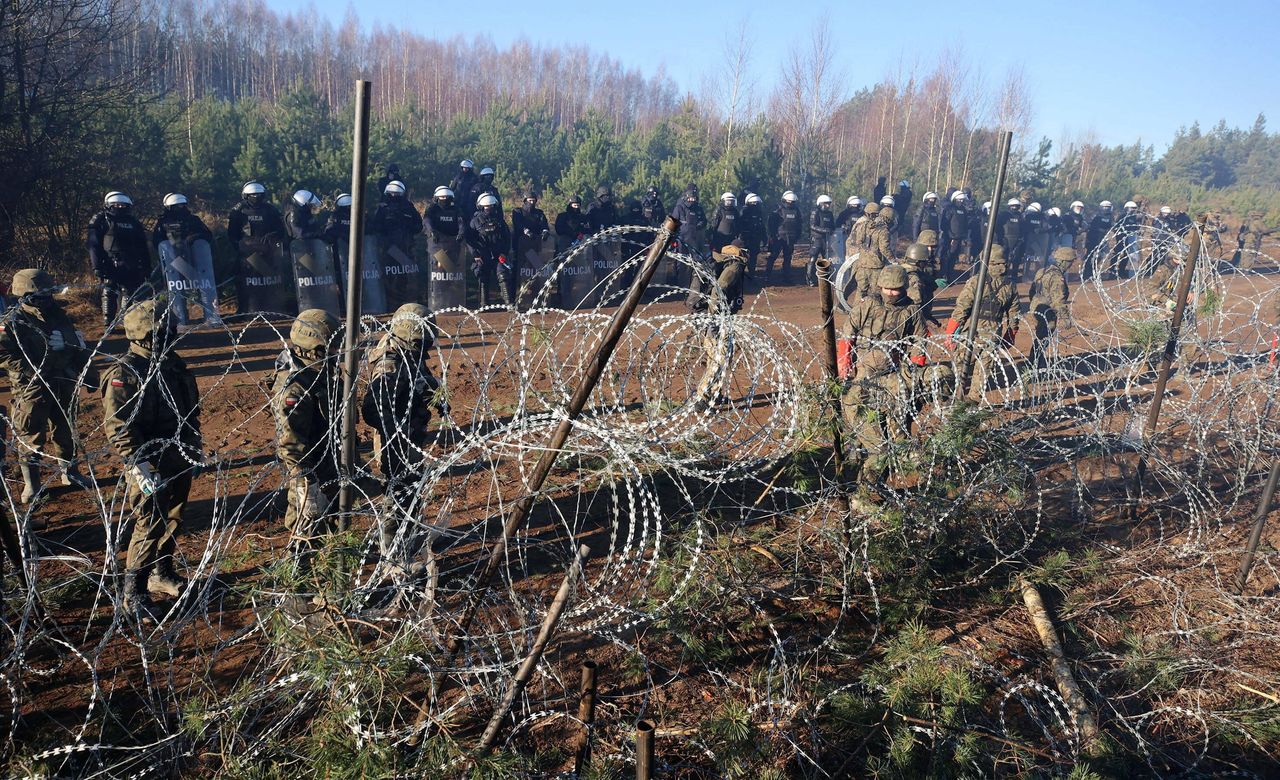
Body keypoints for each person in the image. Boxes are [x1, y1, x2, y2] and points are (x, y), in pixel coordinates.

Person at [102, 299, 201, 617]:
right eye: (166, 330)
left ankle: (161, 572)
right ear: (147, 334)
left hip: (178, 456)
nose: (173, 334)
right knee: (149, 522)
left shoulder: (173, 365)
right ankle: (134, 592)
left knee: (174, 517)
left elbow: (190, 412)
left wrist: (193, 447)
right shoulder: (126, 373)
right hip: (148, 461)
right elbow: (118, 426)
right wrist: (139, 465)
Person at [0, 269, 98, 511]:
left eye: (47, 293)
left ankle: (70, 471)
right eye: (40, 294)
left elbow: (76, 345)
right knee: (31, 434)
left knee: (66, 427)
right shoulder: (12, 322)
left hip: (62, 380)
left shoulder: (59, 315)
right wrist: (31, 371)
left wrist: (88, 372)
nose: (46, 298)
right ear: (25, 295)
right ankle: (31, 484)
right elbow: (5, 355)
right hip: (31, 388)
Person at [840, 264, 938, 490]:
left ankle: (886, 467)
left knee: (893, 417)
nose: (891, 293)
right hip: (863, 371)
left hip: (891, 373)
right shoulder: (868, 305)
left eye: (895, 289)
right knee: (858, 415)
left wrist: (914, 369)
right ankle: (858, 459)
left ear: (903, 288)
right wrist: (845, 362)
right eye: (886, 288)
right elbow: (848, 332)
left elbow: (920, 342)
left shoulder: (911, 311)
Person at [362, 303, 448, 557]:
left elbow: (420, 380)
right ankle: (393, 550)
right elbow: (373, 408)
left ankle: (408, 536)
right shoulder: (390, 363)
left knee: (410, 489)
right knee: (398, 490)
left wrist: (434, 391)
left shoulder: (409, 353)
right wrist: (396, 436)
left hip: (408, 434)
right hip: (396, 439)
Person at [272, 308, 342, 573]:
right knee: (306, 528)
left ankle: (326, 576)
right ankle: (296, 582)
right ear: (315, 346)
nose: (338, 351)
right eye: (332, 345)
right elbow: (290, 444)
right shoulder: (296, 386)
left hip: (329, 462)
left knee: (331, 525)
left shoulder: (319, 372)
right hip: (310, 470)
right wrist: (306, 486)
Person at [944, 245, 1020, 401]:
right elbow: (1014, 316)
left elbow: (961, 310)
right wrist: (1010, 337)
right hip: (993, 335)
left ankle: (954, 397)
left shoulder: (976, 282)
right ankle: (972, 403)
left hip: (970, 331)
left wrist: (950, 334)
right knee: (983, 371)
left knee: (960, 367)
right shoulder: (1010, 285)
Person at [88, 191, 152, 328]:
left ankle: (126, 319)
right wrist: (97, 266)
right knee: (109, 289)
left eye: (123, 205)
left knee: (130, 291)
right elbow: (94, 245)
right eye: (117, 205)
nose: (120, 207)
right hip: (109, 262)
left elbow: (142, 246)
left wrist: (146, 266)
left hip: (131, 263)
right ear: (108, 205)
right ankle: (108, 321)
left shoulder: (133, 222)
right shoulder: (101, 220)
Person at [152, 193, 218, 327]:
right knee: (177, 289)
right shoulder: (163, 222)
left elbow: (207, 235)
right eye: (176, 206)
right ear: (169, 207)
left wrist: (193, 238)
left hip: (197, 260)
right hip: (174, 262)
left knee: (204, 286)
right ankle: (180, 318)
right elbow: (157, 241)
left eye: (182, 205)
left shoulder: (193, 220)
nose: (180, 207)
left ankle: (211, 316)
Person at [227, 181, 288, 312]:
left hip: (269, 252)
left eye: (259, 195)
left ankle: (274, 308)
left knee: (271, 281)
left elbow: (281, 230)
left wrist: (272, 236)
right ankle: (246, 309)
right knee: (246, 282)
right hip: (247, 255)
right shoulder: (238, 211)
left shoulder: (270, 209)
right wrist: (240, 248)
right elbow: (232, 234)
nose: (256, 197)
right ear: (246, 196)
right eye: (253, 195)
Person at [1028, 247, 1074, 368]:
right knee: (1044, 338)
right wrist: (1066, 318)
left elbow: (1032, 291)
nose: (1071, 265)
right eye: (1070, 262)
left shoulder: (1042, 271)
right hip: (1047, 312)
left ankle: (1037, 360)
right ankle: (1035, 363)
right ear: (1063, 262)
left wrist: (1034, 304)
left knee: (1041, 336)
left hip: (1036, 307)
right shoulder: (1058, 278)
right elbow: (1058, 301)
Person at [466, 193, 512, 306]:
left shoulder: (499, 221)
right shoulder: (475, 221)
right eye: (486, 206)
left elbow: (507, 238)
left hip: (498, 254)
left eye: (491, 206)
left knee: (503, 274)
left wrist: (504, 253)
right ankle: (483, 304)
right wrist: (476, 255)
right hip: (482, 255)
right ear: (481, 206)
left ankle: (509, 303)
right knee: (482, 275)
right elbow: (470, 240)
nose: (489, 209)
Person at [763, 191, 802, 284]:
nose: (791, 203)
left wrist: (797, 236)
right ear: (784, 200)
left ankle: (786, 278)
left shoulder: (797, 211)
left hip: (790, 239)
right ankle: (767, 277)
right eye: (789, 201)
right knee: (772, 257)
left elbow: (799, 225)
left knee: (788, 259)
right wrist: (773, 236)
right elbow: (771, 224)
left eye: (793, 202)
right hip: (778, 238)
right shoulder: (778, 210)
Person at [849, 203, 886, 299]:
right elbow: (857, 241)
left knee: (860, 286)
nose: (877, 217)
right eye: (875, 214)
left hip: (861, 256)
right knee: (857, 283)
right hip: (858, 255)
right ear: (870, 214)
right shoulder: (863, 223)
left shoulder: (866, 222)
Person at [940, 190, 975, 280]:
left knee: (954, 258)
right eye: (959, 200)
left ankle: (950, 275)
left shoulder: (963, 210)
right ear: (954, 199)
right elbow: (944, 225)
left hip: (959, 239)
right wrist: (951, 237)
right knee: (946, 257)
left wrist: (965, 237)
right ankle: (943, 276)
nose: (961, 202)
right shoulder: (949, 209)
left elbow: (965, 225)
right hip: (949, 238)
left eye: (962, 200)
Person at [806, 195, 836, 286]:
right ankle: (810, 279)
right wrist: (824, 230)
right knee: (813, 258)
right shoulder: (815, 212)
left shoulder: (830, 214)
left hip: (827, 239)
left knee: (827, 259)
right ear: (820, 203)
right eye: (825, 203)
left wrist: (833, 231)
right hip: (817, 239)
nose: (827, 205)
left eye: (829, 204)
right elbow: (812, 225)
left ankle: (826, 278)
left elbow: (832, 226)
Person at [997, 198, 1028, 282]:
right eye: (1012, 206)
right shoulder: (1004, 215)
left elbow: (1023, 228)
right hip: (1005, 240)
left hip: (1017, 241)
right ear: (1009, 206)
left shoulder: (1020, 216)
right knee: (1004, 259)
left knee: (1016, 260)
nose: (1014, 208)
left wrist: (1021, 239)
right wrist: (1001, 239)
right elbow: (998, 227)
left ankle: (1014, 277)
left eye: (1016, 206)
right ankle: (1003, 276)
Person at [1084, 200, 1115, 279]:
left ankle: (1093, 269)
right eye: (1104, 208)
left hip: (1102, 239)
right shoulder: (1096, 217)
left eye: (1108, 208)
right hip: (1093, 239)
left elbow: (1112, 226)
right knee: (1090, 255)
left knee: (1101, 255)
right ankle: (1087, 272)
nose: (1106, 210)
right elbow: (1093, 227)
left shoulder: (1110, 218)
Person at [739, 193, 766, 274]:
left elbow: (762, 226)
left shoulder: (759, 212)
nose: (755, 205)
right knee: (743, 257)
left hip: (756, 239)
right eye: (754, 203)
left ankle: (751, 274)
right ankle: (742, 274)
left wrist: (764, 237)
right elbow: (739, 225)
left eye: (757, 203)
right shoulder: (744, 212)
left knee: (753, 258)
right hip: (745, 239)